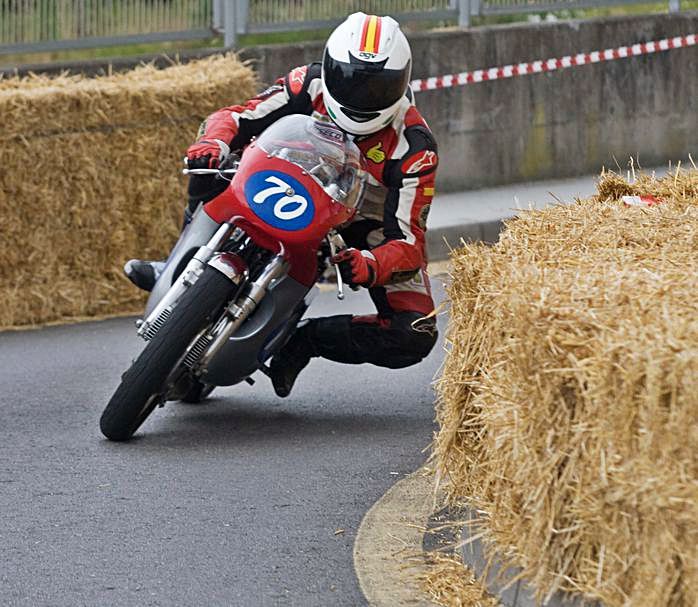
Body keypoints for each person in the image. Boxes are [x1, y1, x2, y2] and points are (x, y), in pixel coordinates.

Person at [125, 12, 439, 398]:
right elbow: (238, 115)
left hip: (358, 223)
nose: (360, 95)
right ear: (329, 66)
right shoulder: (307, 84)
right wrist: (215, 142)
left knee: (415, 330)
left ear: (402, 82)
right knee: (207, 166)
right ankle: (180, 258)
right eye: (349, 78)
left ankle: (304, 342)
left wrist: (372, 263)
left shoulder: (414, 148)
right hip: (283, 179)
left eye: (377, 87)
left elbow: (409, 241)